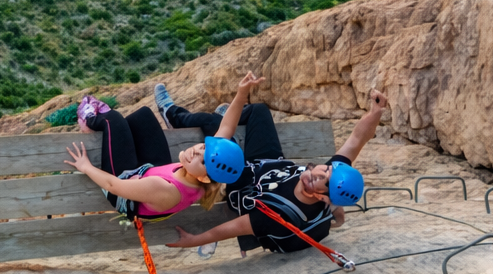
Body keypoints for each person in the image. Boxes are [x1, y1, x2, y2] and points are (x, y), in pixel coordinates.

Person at [153, 83, 389, 255]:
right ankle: (232, 116)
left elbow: (231, 228)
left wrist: (193, 240)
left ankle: (173, 115)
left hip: (247, 183)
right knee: (259, 112)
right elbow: (358, 139)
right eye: (326, 171)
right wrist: (376, 111)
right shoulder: (332, 178)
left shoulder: (278, 214)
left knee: (215, 130)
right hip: (272, 165)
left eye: (323, 181)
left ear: (324, 198)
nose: (319, 172)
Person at [63, 72, 266, 222]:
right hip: (151, 174)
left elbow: (113, 186)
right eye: (204, 147)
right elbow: (226, 127)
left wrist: (85, 166)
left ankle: (89, 120)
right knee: (143, 115)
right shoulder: (207, 177)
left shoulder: (165, 190)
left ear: (204, 177)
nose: (197, 151)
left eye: (202, 159)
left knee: (113, 121)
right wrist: (241, 94)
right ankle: (115, 134)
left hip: (124, 188)